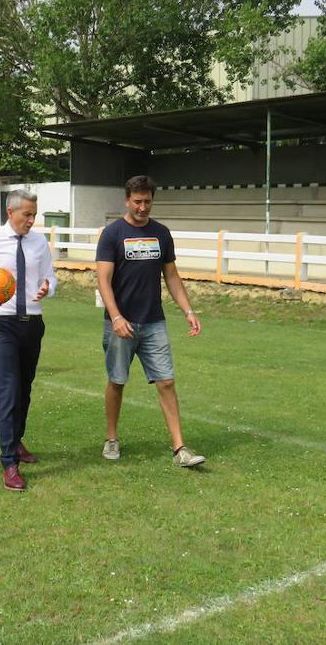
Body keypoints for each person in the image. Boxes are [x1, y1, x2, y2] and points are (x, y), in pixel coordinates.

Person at [96, 175, 205, 467]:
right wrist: (116, 316)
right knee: (117, 381)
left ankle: (180, 449)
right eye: (138, 201)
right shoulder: (112, 233)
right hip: (121, 323)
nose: (143, 207)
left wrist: (188, 311)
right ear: (127, 201)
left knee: (167, 382)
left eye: (148, 201)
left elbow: (171, 275)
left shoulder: (162, 233)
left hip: (154, 321)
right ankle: (111, 439)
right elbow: (103, 279)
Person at [0, 189, 57, 492]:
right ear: (10, 212)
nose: (31, 220)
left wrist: (47, 288)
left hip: (33, 322)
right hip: (2, 323)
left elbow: (50, 277)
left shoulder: (39, 242)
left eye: (34, 215)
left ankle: (16, 443)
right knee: (8, 388)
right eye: (26, 215)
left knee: (25, 388)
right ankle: (8, 462)